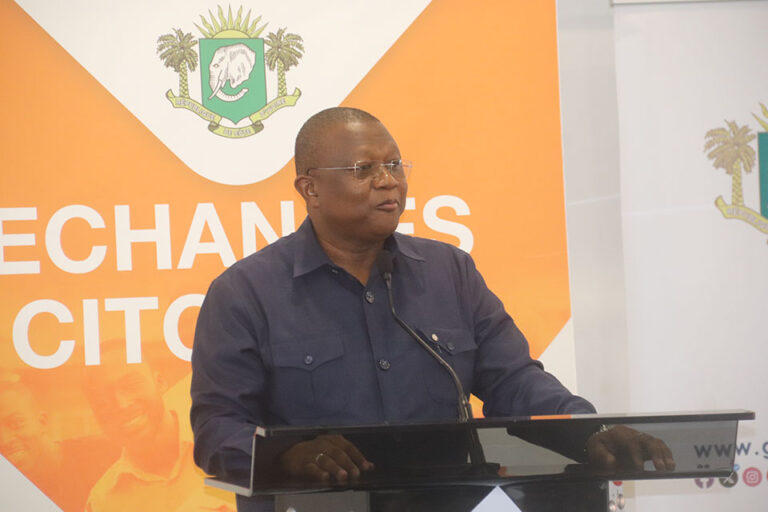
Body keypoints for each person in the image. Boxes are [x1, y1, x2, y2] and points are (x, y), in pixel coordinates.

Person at [190, 107, 674, 509]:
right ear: (309, 188)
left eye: (394, 164)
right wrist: (287, 456)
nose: (388, 181)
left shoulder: (450, 272)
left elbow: (515, 381)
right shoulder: (244, 293)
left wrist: (590, 431)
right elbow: (217, 429)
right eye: (364, 170)